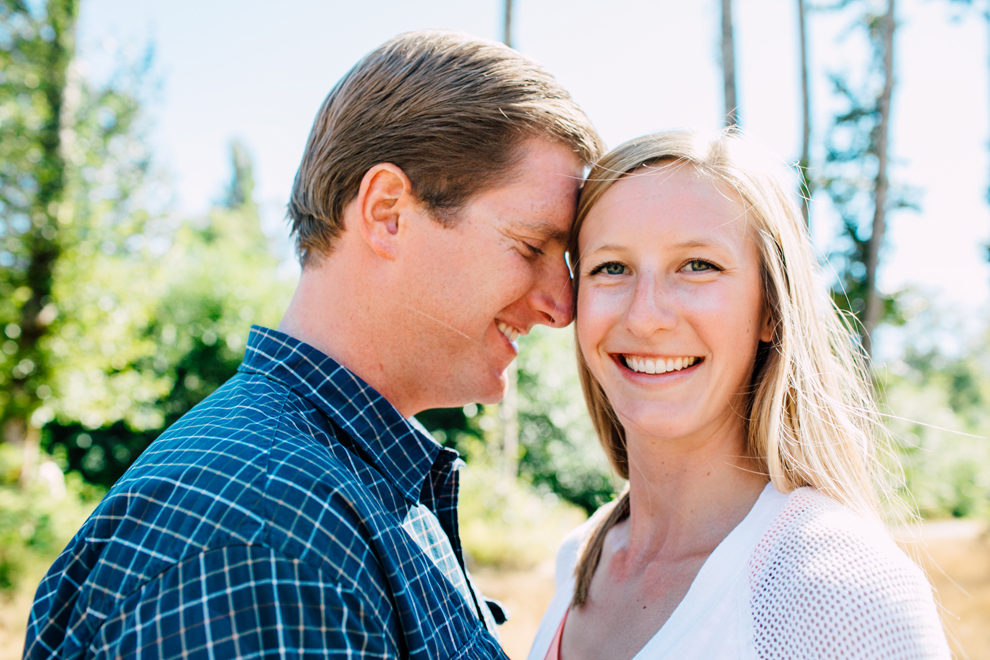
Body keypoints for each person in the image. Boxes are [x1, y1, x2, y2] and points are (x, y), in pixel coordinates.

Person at [24, 30, 604, 659]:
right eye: (530, 246)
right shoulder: (267, 539)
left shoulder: (343, 491)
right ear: (388, 213)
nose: (565, 306)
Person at [528, 130, 950, 660]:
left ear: (772, 309)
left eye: (698, 265)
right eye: (611, 268)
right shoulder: (578, 558)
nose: (645, 316)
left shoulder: (843, 591)